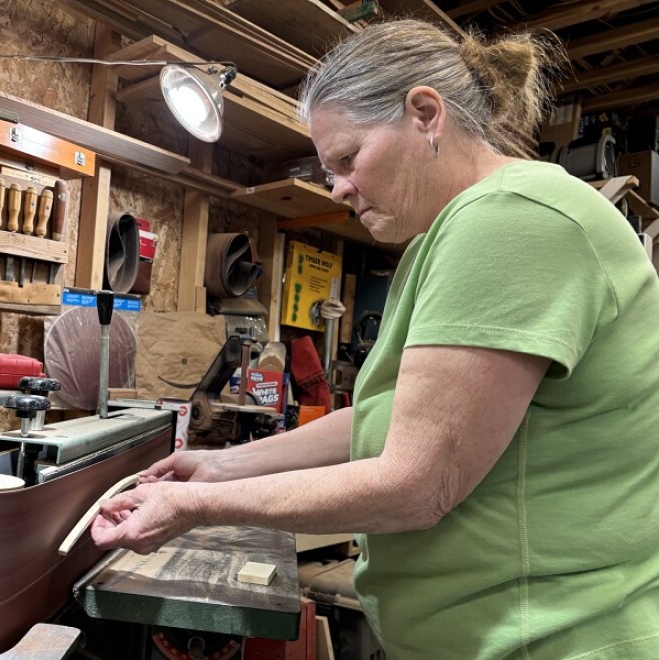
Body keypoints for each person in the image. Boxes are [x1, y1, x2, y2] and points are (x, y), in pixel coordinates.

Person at [91, 18, 659, 659]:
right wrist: (216, 468)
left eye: (347, 158)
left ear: (424, 114)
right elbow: (386, 421)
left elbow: (418, 484)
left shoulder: (512, 219)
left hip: (549, 641)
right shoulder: (448, 237)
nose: (336, 188)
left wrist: (199, 509)